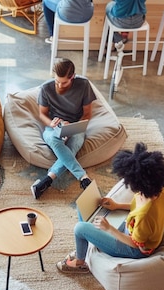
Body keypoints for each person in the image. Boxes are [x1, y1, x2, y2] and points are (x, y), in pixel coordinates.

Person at [56, 142, 164, 273]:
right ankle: (85, 243)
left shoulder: (144, 217)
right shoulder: (159, 192)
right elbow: (136, 208)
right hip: (130, 228)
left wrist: (109, 229)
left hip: (134, 249)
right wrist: (117, 206)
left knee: (79, 228)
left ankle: (80, 262)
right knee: (84, 206)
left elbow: (137, 245)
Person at [31, 58, 95, 199]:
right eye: (57, 81)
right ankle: (83, 177)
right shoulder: (46, 88)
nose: (59, 85)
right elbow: (42, 115)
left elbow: (87, 114)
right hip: (53, 126)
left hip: (75, 125)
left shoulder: (83, 85)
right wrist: (52, 123)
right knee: (55, 141)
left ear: (72, 77)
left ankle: (47, 180)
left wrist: (73, 126)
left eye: (64, 82)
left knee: (73, 145)